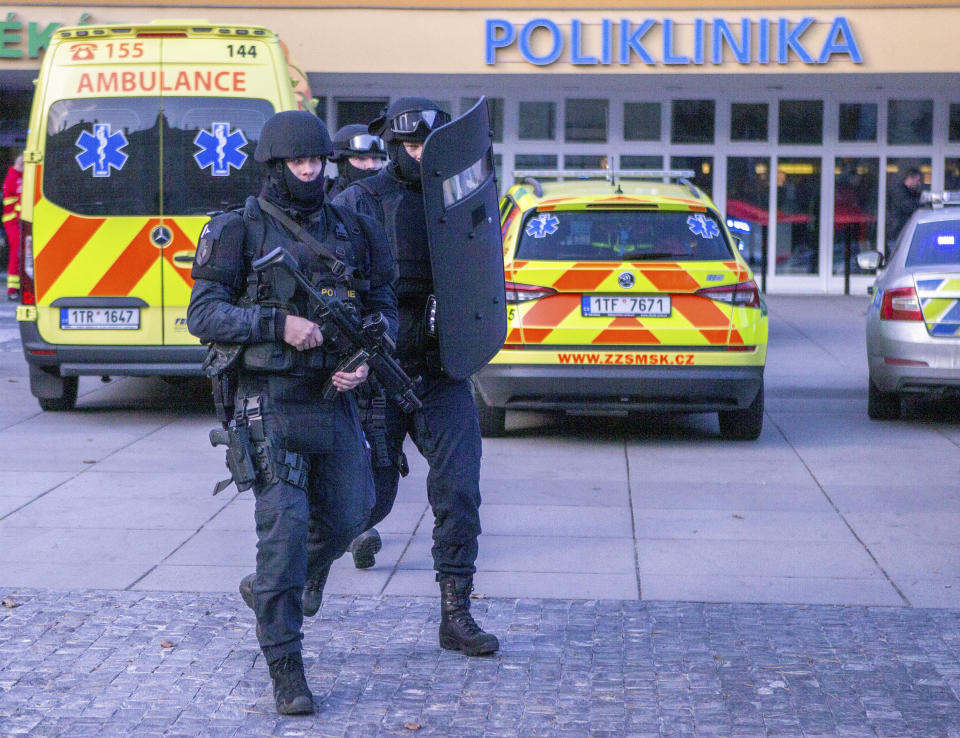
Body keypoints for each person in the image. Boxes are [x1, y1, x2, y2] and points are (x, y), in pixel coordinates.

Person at [187, 111, 397, 715]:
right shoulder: (238, 230)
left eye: (316, 163)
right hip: (269, 403)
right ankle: (286, 666)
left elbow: (381, 305)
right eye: (297, 163)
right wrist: (278, 324)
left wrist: (362, 359)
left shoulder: (353, 227)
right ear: (275, 167)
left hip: (335, 400)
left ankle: (273, 589)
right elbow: (204, 314)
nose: (308, 172)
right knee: (282, 537)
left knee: (354, 512)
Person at [334, 97, 499, 657]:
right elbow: (332, 284)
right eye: (409, 145)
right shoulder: (358, 200)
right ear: (392, 146)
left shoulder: (457, 199)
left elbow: (481, 269)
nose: (418, 154)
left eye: (427, 145)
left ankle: (456, 614)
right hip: (380, 370)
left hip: (441, 368)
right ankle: (290, 583)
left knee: (459, 490)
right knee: (363, 502)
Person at [324, 123, 387, 199]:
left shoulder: (395, 201)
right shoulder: (322, 203)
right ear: (342, 164)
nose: (371, 165)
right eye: (361, 159)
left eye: (376, 158)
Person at [886, 167, 923, 254]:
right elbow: (909, 207)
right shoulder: (900, 192)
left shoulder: (907, 192)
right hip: (897, 232)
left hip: (900, 231)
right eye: (917, 180)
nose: (918, 183)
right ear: (910, 178)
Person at [3, 153, 23, 300]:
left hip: (18, 223)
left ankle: (19, 287)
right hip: (14, 224)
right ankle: (12, 289)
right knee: (16, 255)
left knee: (21, 255)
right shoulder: (13, 179)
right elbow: (17, 203)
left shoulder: (17, 178)